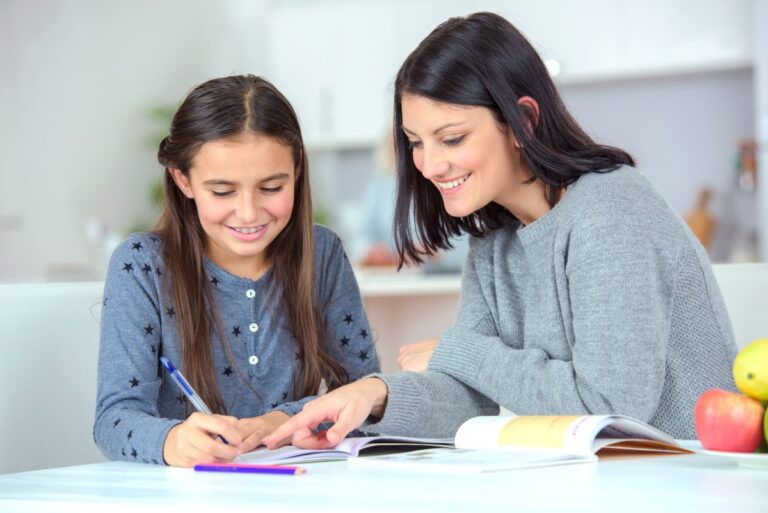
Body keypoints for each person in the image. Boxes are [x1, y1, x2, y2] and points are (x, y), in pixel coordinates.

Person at [264, 12, 737, 449]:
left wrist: (459, 350)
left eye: (452, 138)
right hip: (601, 477)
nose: (429, 164)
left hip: (682, 472)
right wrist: (372, 395)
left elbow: (610, 408)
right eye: (415, 143)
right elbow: (468, 398)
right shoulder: (495, 240)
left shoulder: (610, 210)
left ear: (522, 121)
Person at [93, 75, 380, 467]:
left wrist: (282, 419)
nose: (248, 212)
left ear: (296, 170)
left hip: (295, 485)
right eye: (223, 192)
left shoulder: (322, 253)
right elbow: (113, 419)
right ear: (183, 181)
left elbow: (367, 397)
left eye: (271, 187)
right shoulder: (143, 265)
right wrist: (172, 440)